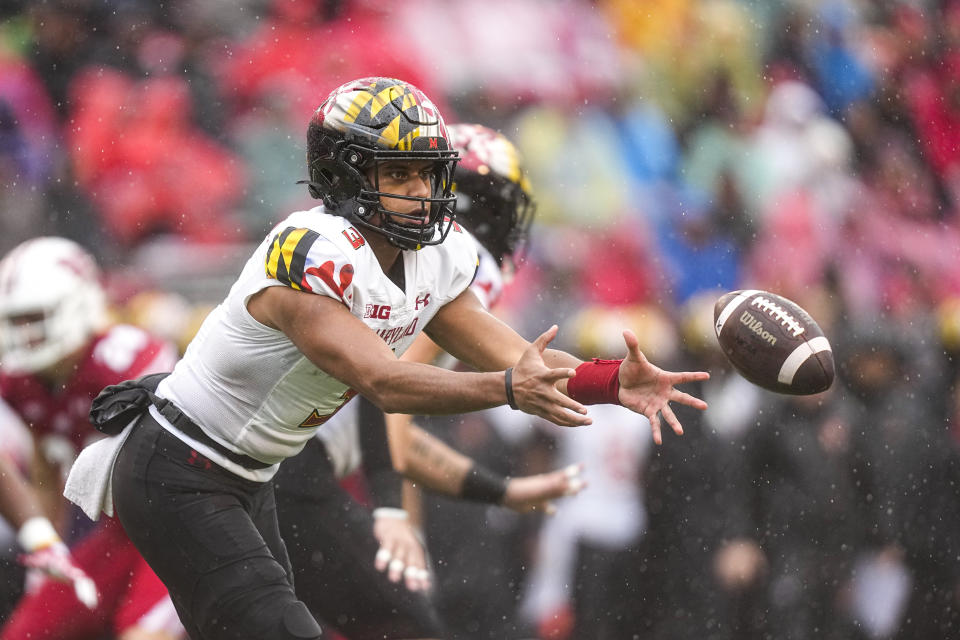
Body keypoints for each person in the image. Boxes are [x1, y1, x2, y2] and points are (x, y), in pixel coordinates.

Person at [65, 76, 709, 640]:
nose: (421, 189)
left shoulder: (436, 256)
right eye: (398, 172)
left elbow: (517, 355)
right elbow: (386, 382)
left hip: (250, 474)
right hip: (181, 467)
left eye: (428, 172)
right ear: (344, 175)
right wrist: (509, 388)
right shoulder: (308, 251)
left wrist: (608, 381)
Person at [272, 122, 584, 639]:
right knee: (408, 624)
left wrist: (499, 491)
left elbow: (393, 421)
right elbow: (387, 389)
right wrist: (401, 519)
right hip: (296, 466)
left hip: (281, 460)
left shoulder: (400, 245)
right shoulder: (463, 258)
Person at [0, 236, 185, 639]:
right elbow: (46, 470)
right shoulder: (22, 382)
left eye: (35, 317)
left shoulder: (122, 360)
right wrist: (48, 548)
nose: (26, 334)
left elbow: (177, 473)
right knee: (27, 633)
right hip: (119, 535)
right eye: (17, 321)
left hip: (179, 525)